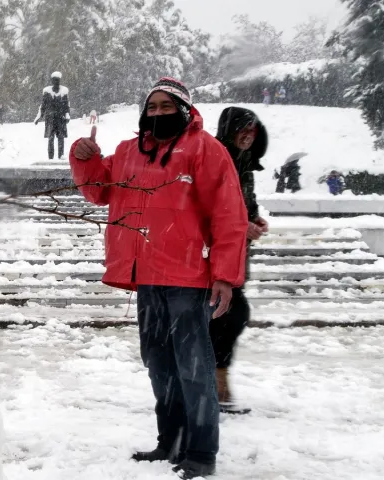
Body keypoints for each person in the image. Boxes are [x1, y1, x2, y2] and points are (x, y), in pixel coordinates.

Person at [70, 77, 248, 479]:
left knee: (192, 366)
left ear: (184, 110)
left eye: (167, 107)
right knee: (159, 364)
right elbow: (99, 190)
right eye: (152, 107)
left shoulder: (206, 150)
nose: (158, 113)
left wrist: (224, 274)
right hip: (146, 277)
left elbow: (229, 214)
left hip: (188, 277)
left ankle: (201, 452)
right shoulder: (128, 152)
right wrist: (85, 158)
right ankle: (171, 442)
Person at [214, 107, 271, 414]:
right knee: (230, 315)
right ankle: (214, 383)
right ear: (230, 130)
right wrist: (240, 225)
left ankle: (216, 382)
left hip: (237, 252)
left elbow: (242, 203)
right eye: (243, 129)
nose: (248, 135)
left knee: (227, 317)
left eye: (253, 130)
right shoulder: (216, 158)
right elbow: (209, 205)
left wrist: (253, 220)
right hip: (216, 254)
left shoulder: (244, 162)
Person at [34, 71, 70, 160]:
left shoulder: (64, 91)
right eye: (54, 80)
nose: (56, 82)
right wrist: (39, 117)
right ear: (52, 81)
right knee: (50, 139)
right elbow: (43, 106)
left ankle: (61, 156)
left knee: (61, 138)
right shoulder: (47, 92)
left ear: (59, 80)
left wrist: (67, 115)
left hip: (60, 119)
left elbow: (66, 105)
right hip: (50, 119)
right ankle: (50, 158)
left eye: (57, 80)